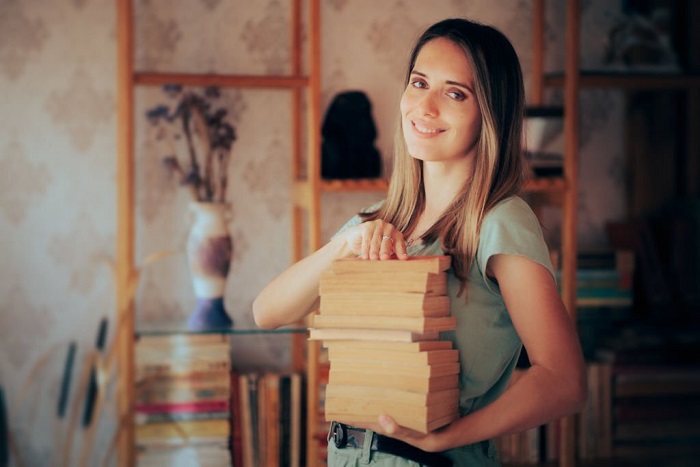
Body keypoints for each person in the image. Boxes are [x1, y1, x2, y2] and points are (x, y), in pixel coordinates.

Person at [253, 17, 587, 467]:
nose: (425, 107)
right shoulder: (374, 222)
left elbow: (564, 381)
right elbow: (267, 312)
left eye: (455, 93)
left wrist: (444, 440)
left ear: (490, 114)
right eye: (419, 82)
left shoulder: (500, 222)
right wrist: (343, 245)